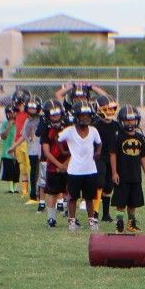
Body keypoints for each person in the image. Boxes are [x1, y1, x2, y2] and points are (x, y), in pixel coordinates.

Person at [57, 99, 101, 231]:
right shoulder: (70, 131)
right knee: (72, 198)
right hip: (74, 170)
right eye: (82, 115)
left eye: (88, 115)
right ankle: (71, 221)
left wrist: (98, 152)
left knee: (89, 198)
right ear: (76, 116)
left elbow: (99, 143)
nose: (86, 118)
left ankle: (91, 220)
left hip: (90, 170)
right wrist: (63, 151)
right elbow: (58, 139)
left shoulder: (93, 130)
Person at [109, 104, 145, 233]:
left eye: (132, 119)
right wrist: (114, 172)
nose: (130, 122)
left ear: (136, 120)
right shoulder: (118, 136)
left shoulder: (139, 137)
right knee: (121, 202)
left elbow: (143, 156)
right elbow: (113, 154)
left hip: (135, 175)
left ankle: (131, 223)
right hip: (122, 175)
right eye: (127, 120)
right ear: (121, 120)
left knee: (134, 202)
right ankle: (119, 223)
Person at [39, 99, 69, 228]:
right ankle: (51, 218)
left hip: (69, 162)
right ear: (47, 115)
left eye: (57, 114)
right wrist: (59, 165)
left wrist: (66, 163)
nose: (56, 117)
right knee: (52, 192)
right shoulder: (46, 129)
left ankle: (71, 217)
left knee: (71, 191)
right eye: (52, 114)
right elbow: (46, 151)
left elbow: (74, 147)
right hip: (53, 165)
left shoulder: (68, 126)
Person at [93, 95, 120, 223]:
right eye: (106, 109)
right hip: (99, 157)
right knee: (99, 183)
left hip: (112, 158)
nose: (110, 112)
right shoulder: (95, 125)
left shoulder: (117, 125)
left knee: (109, 186)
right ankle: (95, 212)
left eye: (112, 109)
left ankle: (106, 215)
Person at [21, 97, 43, 206]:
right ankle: (34, 194)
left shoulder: (42, 119)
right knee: (33, 172)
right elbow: (25, 135)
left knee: (41, 173)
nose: (31, 110)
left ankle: (40, 194)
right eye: (30, 108)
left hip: (41, 150)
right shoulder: (27, 121)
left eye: (34, 108)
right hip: (32, 150)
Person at [0, 105, 20, 193]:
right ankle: (11, 189)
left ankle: (15, 188)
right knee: (9, 170)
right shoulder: (5, 123)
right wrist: (9, 126)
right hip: (7, 151)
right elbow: (3, 136)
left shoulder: (19, 123)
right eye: (9, 113)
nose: (11, 114)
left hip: (18, 150)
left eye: (13, 112)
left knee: (17, 171)